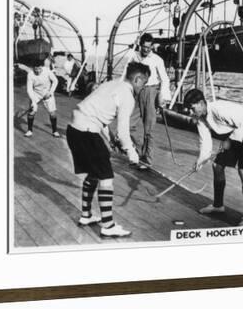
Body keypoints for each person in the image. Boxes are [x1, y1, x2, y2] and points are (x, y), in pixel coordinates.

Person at [66, 62, 150, 237]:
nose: (143, 87)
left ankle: (86, 215)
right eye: (144, 83)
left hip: (74, 129)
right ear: (137, 79)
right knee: (106, 177)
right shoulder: (127, 96)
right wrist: (132, 152)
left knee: (93, 173)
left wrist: (111, 140)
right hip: (87, 132)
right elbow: (123, 131)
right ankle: (108, 225)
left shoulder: (110, 84)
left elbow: (97, 114)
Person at [184, 89, 243, 227]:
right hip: (233, 133)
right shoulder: (201, 119)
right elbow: (205, 144)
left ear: (201, 103)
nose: (190, 112)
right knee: (217, 166)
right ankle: (218, 206)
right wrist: (199, 162)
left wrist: (230, 141)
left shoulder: (219, 109)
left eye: (192, 108)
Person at [124, 33, 171, 169]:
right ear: (140, 45)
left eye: (149, 48)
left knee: (148, 129)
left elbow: (165, 79)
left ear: (152, 47)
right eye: (144, 47)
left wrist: (162, 96)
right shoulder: (134, 56)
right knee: (127, 125)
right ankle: (138, 154)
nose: (146, 50)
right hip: (137, 91)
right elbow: (128, 75)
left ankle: (147, 160)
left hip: (151, 92)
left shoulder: (157, 59)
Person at [25, 61, 60, 138]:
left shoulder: (47, 71)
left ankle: (55, 131)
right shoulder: (30, 74)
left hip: (47, 93)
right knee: (32, 112)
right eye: (36, 69)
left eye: (39, 69)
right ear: (33, 68)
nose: (38, 71)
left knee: (52, 113)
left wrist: (50, 92)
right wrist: (33, 102)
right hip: (36, 93)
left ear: (42, 67)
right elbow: (29, 89)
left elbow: (55, 81)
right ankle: (29, 130)